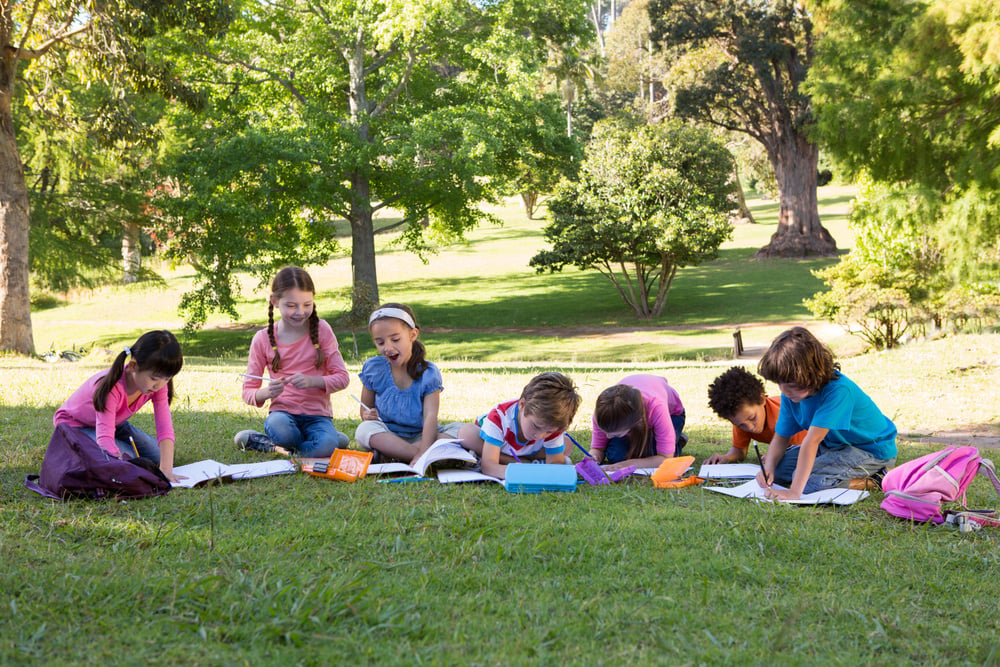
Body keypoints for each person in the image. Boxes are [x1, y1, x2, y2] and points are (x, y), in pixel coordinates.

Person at [755, 327, 897, 500]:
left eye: (791, 384)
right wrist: (768, 468)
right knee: (779, 470)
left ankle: (878, 478)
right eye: (780, 383)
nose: (784, 391)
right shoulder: (790, 396)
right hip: (834, 446)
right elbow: (780, 437)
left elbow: (811, 442)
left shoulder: (838, 391)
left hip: (869, 450)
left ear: (812, 373)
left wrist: (794, 492)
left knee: (809, 484)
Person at [235, 266, 350, 457]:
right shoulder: (262, 338)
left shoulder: (322, 329)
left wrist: (313, 381)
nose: (300, 312)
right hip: (282, 415)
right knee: (281, 430)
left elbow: (343, 378)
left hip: (318, 416)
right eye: (291, 305)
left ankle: (271, 446)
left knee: (324, 447)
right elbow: (248, 391)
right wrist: (266, 392)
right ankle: (327, 442)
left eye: (307, 304)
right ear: (275, 301)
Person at [53, 330, 184, 482]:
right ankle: (71, 450)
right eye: (154, 378)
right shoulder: (111, 388)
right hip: (74, 426)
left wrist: (166, 470)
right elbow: (105, 440)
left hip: (113, 423)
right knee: (129, 459)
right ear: (134, 366)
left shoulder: (158, 385)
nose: (159, 385)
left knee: (159, 456)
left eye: (167, 379)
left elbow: (165, 428)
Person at [355, 303, 460, 463]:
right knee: (364, 430)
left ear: (413, 334)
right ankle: (426, 456)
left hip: (422, 436)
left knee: (462, 431)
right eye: (380, 342)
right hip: (388, 435)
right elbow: (365, 410)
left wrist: (424, 447)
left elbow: (430, 417)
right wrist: (367, 415)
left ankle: (396, 455)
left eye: (395, 339)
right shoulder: (373, 368)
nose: (388, 348)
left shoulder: (428, 373)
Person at [457, 372, 582, 479]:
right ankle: (513, 459)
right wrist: (522, 472)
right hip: (493, 443)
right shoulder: (499, 417)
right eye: (536, 426)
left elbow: (555, 465)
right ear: (522, 405)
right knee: (466, 433)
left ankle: (519, 459)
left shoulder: (553, 423)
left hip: (525, 449)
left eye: (548, 432)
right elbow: (489, 466)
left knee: (566, 445)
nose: (539, 435)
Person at [705, 366, 806, 464]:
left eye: (752, 418)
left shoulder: (784, 415)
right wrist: (727, 457)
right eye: (741, 425)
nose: (750, 427)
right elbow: (739, 451)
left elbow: (801, 451)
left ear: (762, 399)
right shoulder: (742, 420)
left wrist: (774, 457)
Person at [591, 374, 687, 472]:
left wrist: (627, 464)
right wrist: (594, 457)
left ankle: (677, 441)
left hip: (672, 416)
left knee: (651, 453)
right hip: (631, 419)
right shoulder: (603, 412)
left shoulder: (656, 407)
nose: (607, 437)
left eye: (616, 434)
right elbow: (598, 448)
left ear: (636, 423)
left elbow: (665, 458)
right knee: (616, 455)